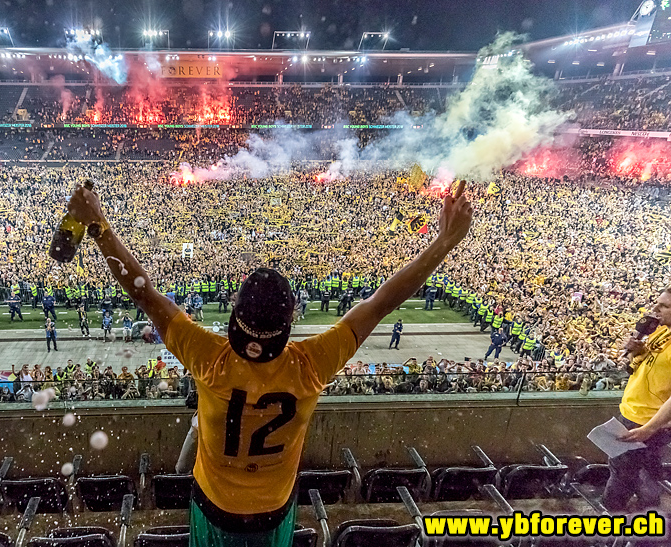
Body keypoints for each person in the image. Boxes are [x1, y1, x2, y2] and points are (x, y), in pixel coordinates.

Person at [64, 178, 472, 545]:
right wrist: (444, 242)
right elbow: (381, 302)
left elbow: (144, 294)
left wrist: (99, 225)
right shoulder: (311, 364)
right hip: (275, 509)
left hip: (214, 507)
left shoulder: (208, 358)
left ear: (235, 319)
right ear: (288, 324)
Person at [607, 289, 671, 511]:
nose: (655, 309)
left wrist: (650, 428)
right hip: (631, 413)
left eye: (664, 306)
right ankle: (645, 510)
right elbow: (637, 366)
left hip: (650, 423)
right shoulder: (660, 331)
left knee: (628, 473)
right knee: (631, 470)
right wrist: (636, 351)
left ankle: (613, 512)